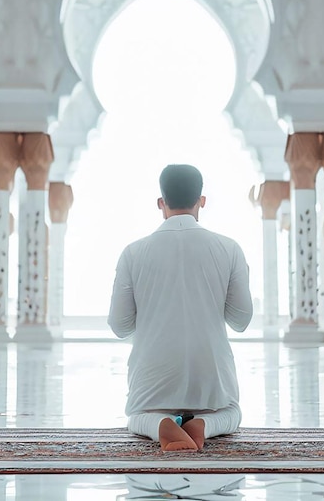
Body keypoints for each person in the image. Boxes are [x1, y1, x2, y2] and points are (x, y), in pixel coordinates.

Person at [108, 164, 253, 451]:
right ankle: (206, 425)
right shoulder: (229, 248)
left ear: (161, 203)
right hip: (212, 381)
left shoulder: (133, 253)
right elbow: (241, 320)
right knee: (231, 413)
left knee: (137, 417)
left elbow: (119, 325)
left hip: (152, 381)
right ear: (202, 201)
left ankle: (160, 425)